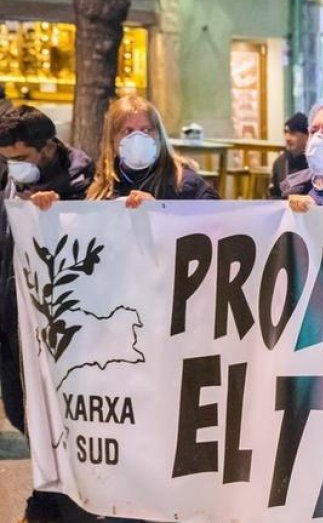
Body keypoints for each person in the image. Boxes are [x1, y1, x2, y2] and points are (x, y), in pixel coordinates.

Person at [0, 106, 94, 523]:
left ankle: (59, 505)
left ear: (49, 147)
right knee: (21, 411)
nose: (14, 166)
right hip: (12, 320)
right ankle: (50, 499)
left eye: (21, 157)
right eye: (7, 159)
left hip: (62, 328)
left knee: (61, 420)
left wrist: (52, 212)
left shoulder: (82, 185)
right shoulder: (8, 180)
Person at [86, 96, 219, 205]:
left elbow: (217, 221)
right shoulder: (102, 191)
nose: (137, 138)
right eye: (127, 131)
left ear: (159, 137)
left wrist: (159, 212)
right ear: (112, 141)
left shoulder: (185, 185)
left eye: (147, 130)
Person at [270, 112, 309, 199]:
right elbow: (274, 195)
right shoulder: (280, 162)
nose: (287, 138)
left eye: (292, 133)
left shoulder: (314, 163)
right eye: (286, 132)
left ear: (306, 136)